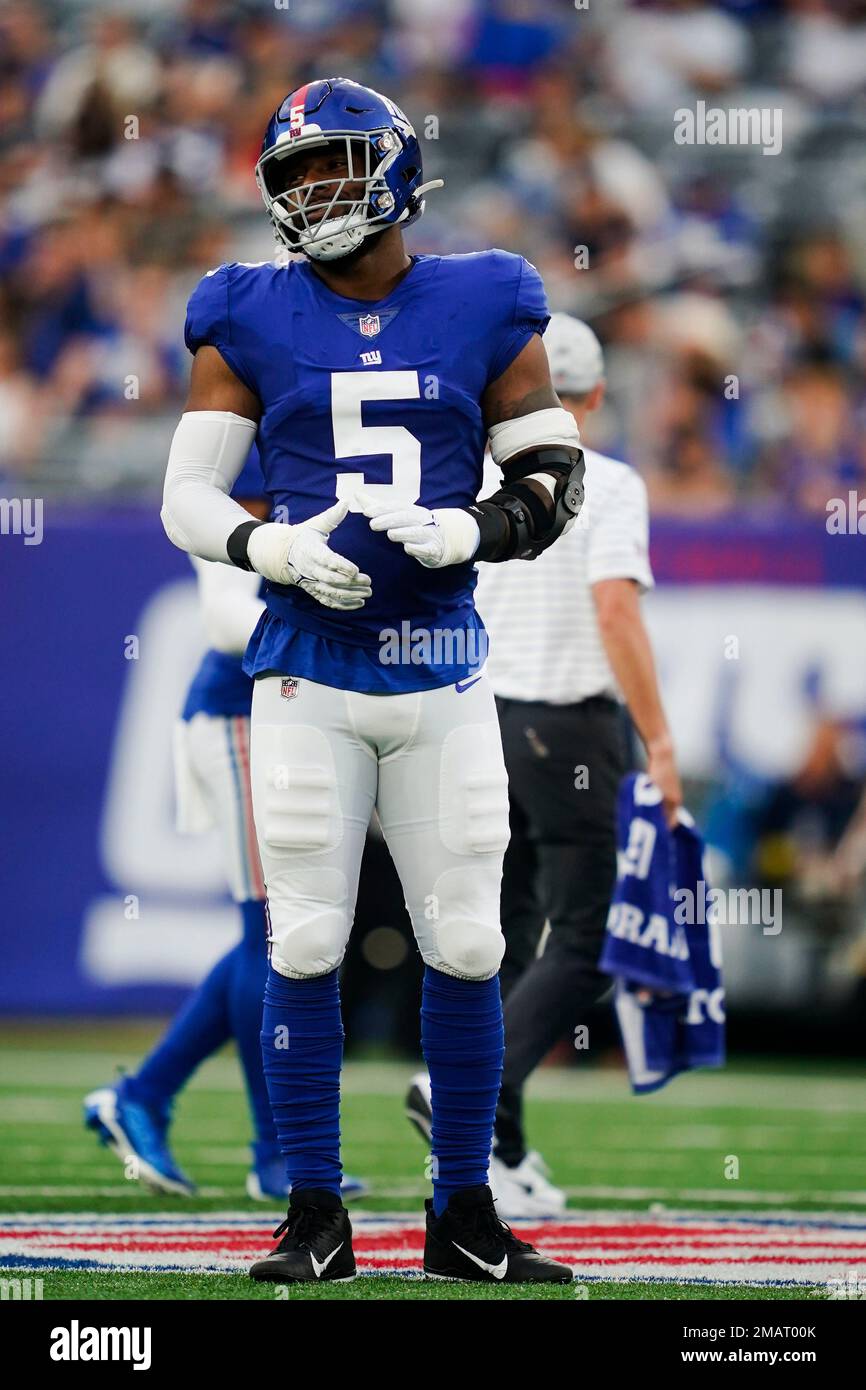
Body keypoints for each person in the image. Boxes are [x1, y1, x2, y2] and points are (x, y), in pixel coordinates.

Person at [160, 78, 586, 1284]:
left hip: (442, 673)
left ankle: (462, 1214)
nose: (312, 194)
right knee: (302, 941)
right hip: (304, 674)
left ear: (398, 167)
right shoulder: (242, 311)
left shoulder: (487, 295)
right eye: (291, 178)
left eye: (333, 167)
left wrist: (479, 530)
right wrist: (268, 546)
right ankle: (312, 1214)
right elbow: (184, 495)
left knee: (462, 942)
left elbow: (553, 474)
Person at [407, 314, 682, 1217]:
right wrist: (663, 741)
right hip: (566, 728)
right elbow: (614, 613)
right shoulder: (605, 483)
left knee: (505, 937)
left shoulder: (476, 480)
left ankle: (502, 1150)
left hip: (477, 716)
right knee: (584, 940)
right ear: (595, 396)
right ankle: (461, 1093)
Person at [85, 450, 365, 1204]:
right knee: (275, 933)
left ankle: (143, 1094)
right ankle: (274, 1149)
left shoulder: (326, 454)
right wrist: (340, 632)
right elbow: (224, 616)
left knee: (274, 933)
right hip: (243, 719)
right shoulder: (243, 477)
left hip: (294, 720)